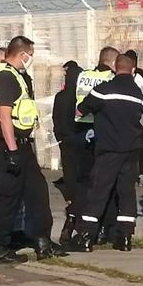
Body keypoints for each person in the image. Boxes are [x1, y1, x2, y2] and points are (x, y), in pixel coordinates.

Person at [68, 54, 143, 253]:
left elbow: (81, 110)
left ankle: (86, 236)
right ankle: (124, 238)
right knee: (126, 193)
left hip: (108, 150)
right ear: (133, 71)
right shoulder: (136, 94)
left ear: (115, 69)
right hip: (131, 150)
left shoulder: (103, 91)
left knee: (98, 191)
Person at [0, 36, 65, 264]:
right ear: (21, 54)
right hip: (6, 141)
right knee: (9, 197)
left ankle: (42, 243)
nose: (30, 60)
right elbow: (5, 115)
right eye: (30, 55)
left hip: (17, 142)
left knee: (37, 192)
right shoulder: (6, 76)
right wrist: (12, 150)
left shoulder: (10, 74)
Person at [71, 46, 120, 244]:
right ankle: (103, 228)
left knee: (85, 182)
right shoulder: (110, 79)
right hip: (102, 132)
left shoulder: (83, 76)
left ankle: (79, 223)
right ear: (112, 62)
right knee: (105, 183)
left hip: (81, 130)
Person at [53, 61, 85, 243]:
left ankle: (72, 202)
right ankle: (77, 212)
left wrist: (60, 136)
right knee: (83, 177)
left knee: (70, 174)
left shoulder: (61, 97)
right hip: (82, 141)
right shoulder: (82, 97)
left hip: (65, 141)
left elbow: (56, 119)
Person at [125, 50, 143, 179]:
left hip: (140, 115)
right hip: (124, 115)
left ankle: (141, 171)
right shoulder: (120, 74)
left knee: (141, 143)